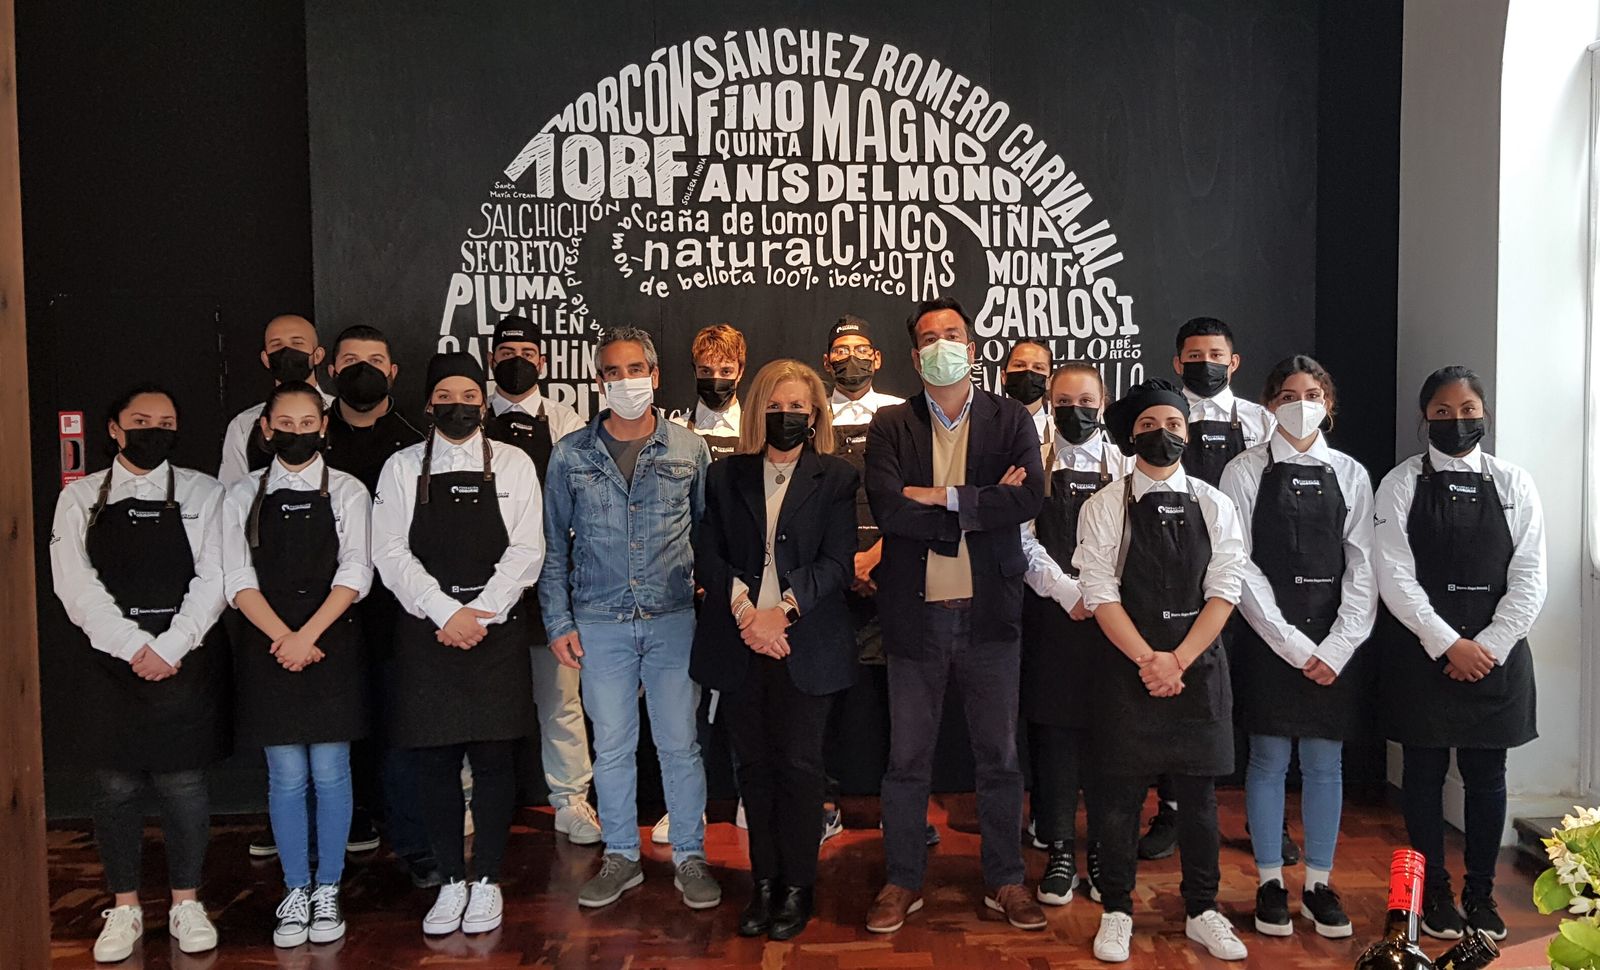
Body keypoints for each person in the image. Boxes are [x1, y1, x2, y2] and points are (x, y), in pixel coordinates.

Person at [863, 297, 1047, 934]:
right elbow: (889, 510)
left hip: (991, 614)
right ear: (915, 357)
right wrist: (978, 504)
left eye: (954, 333)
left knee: (998, 757)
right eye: (930, 337)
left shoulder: (1011, 417)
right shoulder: (891, 423)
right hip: (915, 615)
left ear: (972, 345)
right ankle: (902, 879)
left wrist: (937, 499)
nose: (944, 343)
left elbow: (1029, 498)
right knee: (907, 759)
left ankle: (1005, 880)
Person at [540, 326, 721, 911]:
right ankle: (621, 856)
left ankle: (691, 858)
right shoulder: (571, 453)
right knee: (612, 747)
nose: (625, 381)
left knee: (680, 744)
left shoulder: (689, 449)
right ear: (599, 381)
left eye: (634, 369)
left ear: (655, 375)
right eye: (612, 373)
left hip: (672, 619)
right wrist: (558, 621)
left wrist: (708, 601)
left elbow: (706, 534)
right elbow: (552, 548)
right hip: (599, 620)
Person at [1073, 378, 1249, 963]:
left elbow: (1225, 589)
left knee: (1198, 801)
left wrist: (1179, 659)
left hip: (1196, 669)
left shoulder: (1215, 503)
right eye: (1149, 425)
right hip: (1127, 671)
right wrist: (1149, 659)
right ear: (1131, 435)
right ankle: (1118, 909)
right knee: (1118, 799)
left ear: (1187, 432)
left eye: (1173, 425)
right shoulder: (1103, 505)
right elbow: (1099, 593)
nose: (1164, 434)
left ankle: (1203, 910)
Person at [51, 383, 228, 962]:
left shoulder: (204, 491)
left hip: (183, 658)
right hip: (110, 665)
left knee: (184, 786)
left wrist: (172, 645)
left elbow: (215, 578)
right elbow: (74, 584)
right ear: (114, 428)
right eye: (142, 419)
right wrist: (132, 646)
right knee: (115, 787)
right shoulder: (80, 499)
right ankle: (124, 906)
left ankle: (186, 903)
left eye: (167, 421)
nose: (156, 429)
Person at [371, 353, 544, 937]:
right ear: (428, 403)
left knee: (495, 762)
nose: (460, 405)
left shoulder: (515, 463)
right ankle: (451, 882)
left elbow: (527, 550)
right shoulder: (399, 468)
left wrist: (481, 613)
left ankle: (488, 879)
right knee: (435, 762)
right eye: (446, 394)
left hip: (493, 632)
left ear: (484, 401)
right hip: (427, 631)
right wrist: (447, 612)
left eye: (471, 395)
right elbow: (389, 553)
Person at [1375, 365, 1544, 943]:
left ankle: (1480, 893)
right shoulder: (1400, 483)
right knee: (1421, 776)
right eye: (1443, 412)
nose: (1457, 421)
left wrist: (1487, 647)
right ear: (1424, 418)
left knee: (1486, 775)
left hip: (1496, 657)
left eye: (1468, 410)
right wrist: (1447, 642)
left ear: (1485, 415)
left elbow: (1530, 576)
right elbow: (1393, 574)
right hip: (1424, 651)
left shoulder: (1514, 482)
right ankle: (1434, 894)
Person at [692, 359, 859, 941]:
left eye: (798, 408)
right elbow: (709, 553)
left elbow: (838, 562)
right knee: (752, 769)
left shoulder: (837, 477)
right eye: (776, 406)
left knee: (800, 767)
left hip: (804, 644)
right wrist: (746, 614)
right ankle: (763, 883)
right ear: (758, 409)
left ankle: (798, 886)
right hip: (740, 641)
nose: (786, 416)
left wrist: (779, 613)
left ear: (815, 415)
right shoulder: (723, 475)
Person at [1218, 356, 1376, 940]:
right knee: (1267, 761)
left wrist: (1338, 646)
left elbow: (1364, 564)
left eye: (1312, 392)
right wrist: (1289, 642)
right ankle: (1268, 882)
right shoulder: (1243, 469)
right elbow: (1239, 563)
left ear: (1328, 404)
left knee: (1324, 763)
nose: (1300, 402)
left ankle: (1318, 884)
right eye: (1287, 394)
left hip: (1335, 645)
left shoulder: (1352, 474)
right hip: (1268, 639)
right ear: (1270, 404)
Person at [222, 381, 372, 947]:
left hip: (330, 644)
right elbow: (236, 578)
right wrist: (283, 637)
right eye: (285, 423)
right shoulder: (240, 496)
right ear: (266, 429)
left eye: (307, 423)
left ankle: (328, 887)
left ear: (324, 427)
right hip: (270, 647)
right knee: (285, 775)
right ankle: (294, 888)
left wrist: (307, 635)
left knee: (332, 771)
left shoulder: (350, 491)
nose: (296, 432)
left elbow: (357, 572)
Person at [1151, 315, 1287, 866]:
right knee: (1172, 699)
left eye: (1215, 354)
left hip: (1246, 576)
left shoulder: (1261, 422)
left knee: (1249, 702)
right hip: (1174, 575)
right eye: (1193, 355)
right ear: (1177, 362)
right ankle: (1170, 813)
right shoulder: (1162, 419)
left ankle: (1261, 821)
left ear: (1233, 363)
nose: (1204, 363)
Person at [320, 323, 432, 883]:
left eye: (375, 359)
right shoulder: (308, 439)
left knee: (398, 731)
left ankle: (412, 844)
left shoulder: (414, 443)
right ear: (331, 369)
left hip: (394, 613)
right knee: (334, 729)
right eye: (351, 359)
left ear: (393, 372)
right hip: (319, 616)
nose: (362, 369)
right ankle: (337, 838)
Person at [484, 314, 600, 846]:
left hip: (550, 586)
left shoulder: (569, 423)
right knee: (473, 695)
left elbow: (585, 506)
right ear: (491, 360)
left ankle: (571, 800)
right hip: (478, 587)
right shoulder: (469, 417)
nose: (516, 362)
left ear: (544, 362)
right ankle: (469, 799)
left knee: (560, 700)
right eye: (507, 353)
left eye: (527, 354)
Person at [1019, 363, 1130, 908]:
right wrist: (1068, 593)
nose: (1075, 410)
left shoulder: (1126, 466)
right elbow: (1020, 541)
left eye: (1086, 400)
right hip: (1053, 619)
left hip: (1114, 625)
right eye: (1064, 401)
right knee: (1057, 739)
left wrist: (1101, 597)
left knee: (1109, 739)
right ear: (1050, 403)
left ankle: (1103, 853)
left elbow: (1133, 545)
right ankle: (1060, 848)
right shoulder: (1032, 462)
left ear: (1103, 403)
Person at [821, 314, 928, 846]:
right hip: (828, 580)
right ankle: (823, 803)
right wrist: (844, 564)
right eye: (841, 352)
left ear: (879, 358)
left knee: (900, 703)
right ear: (827, 362)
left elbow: (915, 493)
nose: (851, 359)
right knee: (823, 697)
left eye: (861, 349)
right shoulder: (811, 414)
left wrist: (876, 558)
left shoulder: (902, 415)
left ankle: (903, 811)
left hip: (894, 574)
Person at [220, 314, 335, 487]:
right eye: (277, 345)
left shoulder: (340, 414)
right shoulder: (244, 424)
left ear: (317, 355)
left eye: (297, 343)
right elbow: (231, 491)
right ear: (266, 359)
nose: (286, 350)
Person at [672, 322, 746, 461]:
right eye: (706, 371)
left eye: (726, 371)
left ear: (740, 372)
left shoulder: (758, 432)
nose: (715, 379)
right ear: (695, 372)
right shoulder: (675, 431)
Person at [1002, 338, 1055, 462]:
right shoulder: (985, 427)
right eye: (1019, 365)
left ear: (1049, 382)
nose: (1028, 373)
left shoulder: (1058, 432)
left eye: (1038, 367)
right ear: (1004, 377)